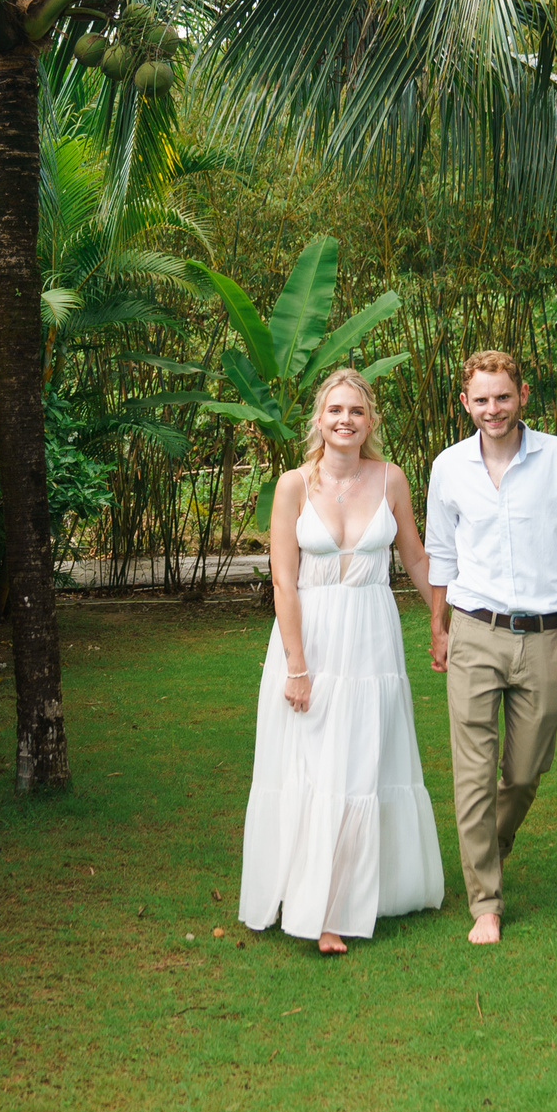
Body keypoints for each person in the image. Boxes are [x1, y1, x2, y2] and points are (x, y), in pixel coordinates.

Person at [238, 367, 447, 953]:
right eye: (335, 411)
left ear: (370, 420)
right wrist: (297, 665)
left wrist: (441, 620)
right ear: (319, 420)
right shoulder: (291, 486)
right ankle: (311, 901)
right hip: (311, 641)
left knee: (363, 766)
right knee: (313, 769)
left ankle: (353, 901)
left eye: (356, 411)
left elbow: (416, 558)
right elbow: (284, 581)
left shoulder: (392, 480)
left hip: (372, 641)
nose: (345, 421)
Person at [424, 349, 557, 945]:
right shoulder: (447, 467)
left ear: (522, 395)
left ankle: (484, 854)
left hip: (548, 634)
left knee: (524, 772)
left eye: (503, 397)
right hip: (474, 628)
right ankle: (486, 902)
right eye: (481, 399)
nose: (492, 409)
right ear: (464, 403)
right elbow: (441, 557)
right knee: (472, 773)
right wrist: (438, 625)